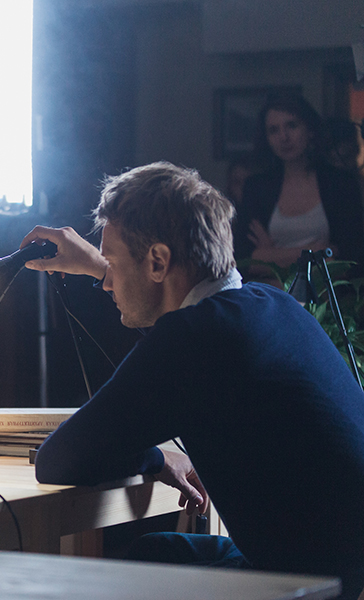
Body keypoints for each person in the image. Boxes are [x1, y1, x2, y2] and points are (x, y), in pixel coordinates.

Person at [20, 162, 364, 599]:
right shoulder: (268, 305)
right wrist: (100, 266)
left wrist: (159, 460)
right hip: (341, 571)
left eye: (112, 261)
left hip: (301, 587)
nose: (107, 283)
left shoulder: (193, 340)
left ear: (159, 262)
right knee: (156, 555)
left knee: (128, 578)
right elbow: (181, 343)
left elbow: (58, 461)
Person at [234, 94, 364, 277]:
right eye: (273, 130)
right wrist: (318, 251)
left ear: (310, 129)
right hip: (272, 295)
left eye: (292, 126)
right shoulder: (256, 187)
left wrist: (272, 255)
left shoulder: (340, 184)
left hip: (328, 299)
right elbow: (246, 262)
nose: (284, 137)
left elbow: (351, 258)